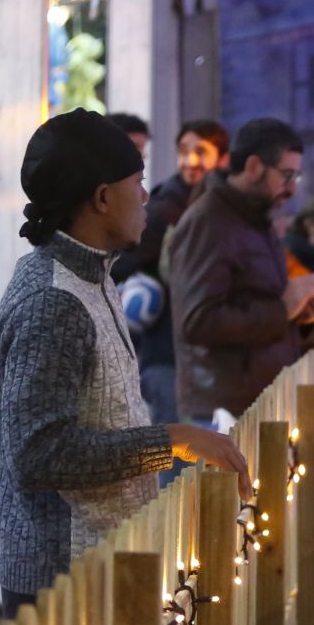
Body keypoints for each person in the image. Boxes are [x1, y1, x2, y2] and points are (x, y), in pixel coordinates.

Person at [0, 110, 250, 618]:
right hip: (64, 583)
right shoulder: (53, 301)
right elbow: (40, 453)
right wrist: (172, 440)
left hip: (100, 566)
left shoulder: (91, 277)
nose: (148, 195)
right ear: (103, 197)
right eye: (139, 181)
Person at [162, 117, 314, 422]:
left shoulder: (256, 220)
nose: (291, 190)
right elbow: (197, 322)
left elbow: (255, 302)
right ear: (253, 167)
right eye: (286, 176)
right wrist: (283, 309)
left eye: (296, 178)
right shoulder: (208, 223)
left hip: (258, 403)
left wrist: (302, 315)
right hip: (221, 415)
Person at [114, 118, 231, 426]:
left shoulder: (225, 210)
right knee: (176, 460)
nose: (190, 160)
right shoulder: (162, 209)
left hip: (213, 358)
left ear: (223, 158)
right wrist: (145, 286)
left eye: (201, 151)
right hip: (166, 356)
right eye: (183, 150)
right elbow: (117, 265)